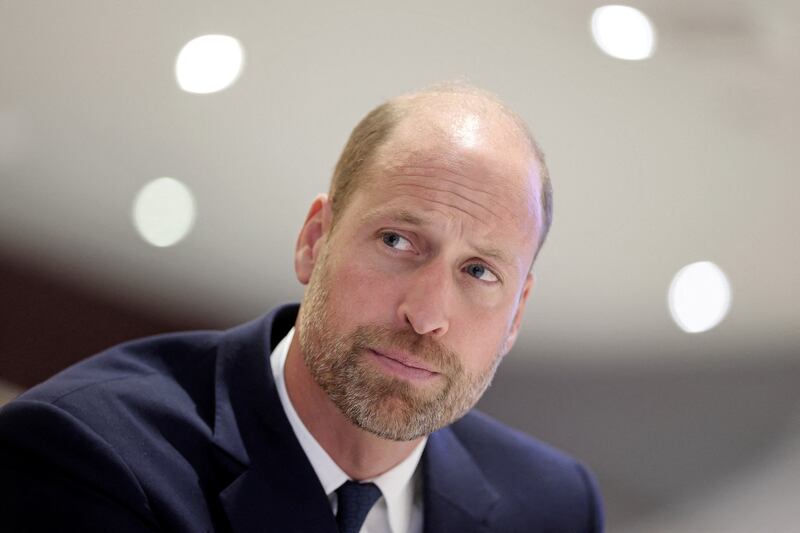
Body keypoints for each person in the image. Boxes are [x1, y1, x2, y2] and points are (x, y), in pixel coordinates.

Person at [0, 83, 603, 532]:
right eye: (397, 241)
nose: (427, 315)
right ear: (316, 241)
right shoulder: (89, 456)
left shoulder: (554, 507)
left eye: (479, 271)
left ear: (516, 314)